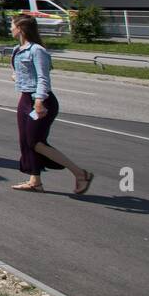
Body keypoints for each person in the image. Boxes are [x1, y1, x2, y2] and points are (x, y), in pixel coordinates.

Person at [9, 15, 93, 193]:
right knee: (25, 141)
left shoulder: (37, 50)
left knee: (35, 142)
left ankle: (80, 173)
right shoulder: (17, 49)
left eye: (12, 25)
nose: (10, 29)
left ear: (21, 29)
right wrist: (17, 77)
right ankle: (35, 181)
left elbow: (43, 78)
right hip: (24, 99)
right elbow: (21, 72)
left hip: (40, 100)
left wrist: (39, 101)